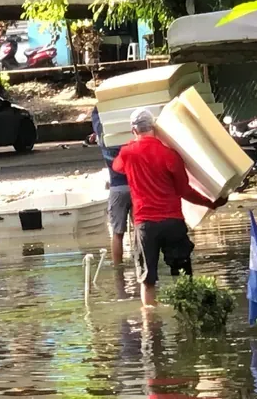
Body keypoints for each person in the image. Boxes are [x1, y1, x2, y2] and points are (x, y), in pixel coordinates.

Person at [112, 108, 228, 307]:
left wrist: (133, 145)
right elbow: (185, 191)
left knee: (147, 281)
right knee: (183, 276)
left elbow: (117, 167)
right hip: (173, 222)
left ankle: (150, 327)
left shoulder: (127, 153)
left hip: (145, 224)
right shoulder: (170, 154)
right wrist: (211, 202)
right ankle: (188, 322)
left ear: (134, 130)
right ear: (155, 128)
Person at [91, 106, 132, 265]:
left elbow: (96, 115)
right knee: (142, 231)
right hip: (137, 187)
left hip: (117, 188)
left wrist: (102, 103)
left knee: (117, 233)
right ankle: (142, 264)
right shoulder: (132, 139)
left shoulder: (104, 140)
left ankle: (118, 270)